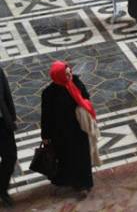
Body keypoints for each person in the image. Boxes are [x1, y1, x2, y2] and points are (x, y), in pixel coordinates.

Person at [41, 61, 95, 195]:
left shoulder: (75, 81)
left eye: (70, 71)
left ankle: (84, 183)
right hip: (61, 133)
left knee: (82, 156)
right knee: (68, 158)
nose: (70, 75)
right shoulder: (49, 93)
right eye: (66, 74)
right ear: (58, 76)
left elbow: (86, 96)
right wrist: (45, 135)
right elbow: (46, 115)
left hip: (78, 128)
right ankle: (74, 182)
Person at [0, 66, 17, 207]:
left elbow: (6, 93)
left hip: (2, 123)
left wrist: (12, 116)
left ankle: (2, 188)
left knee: (10, 157)